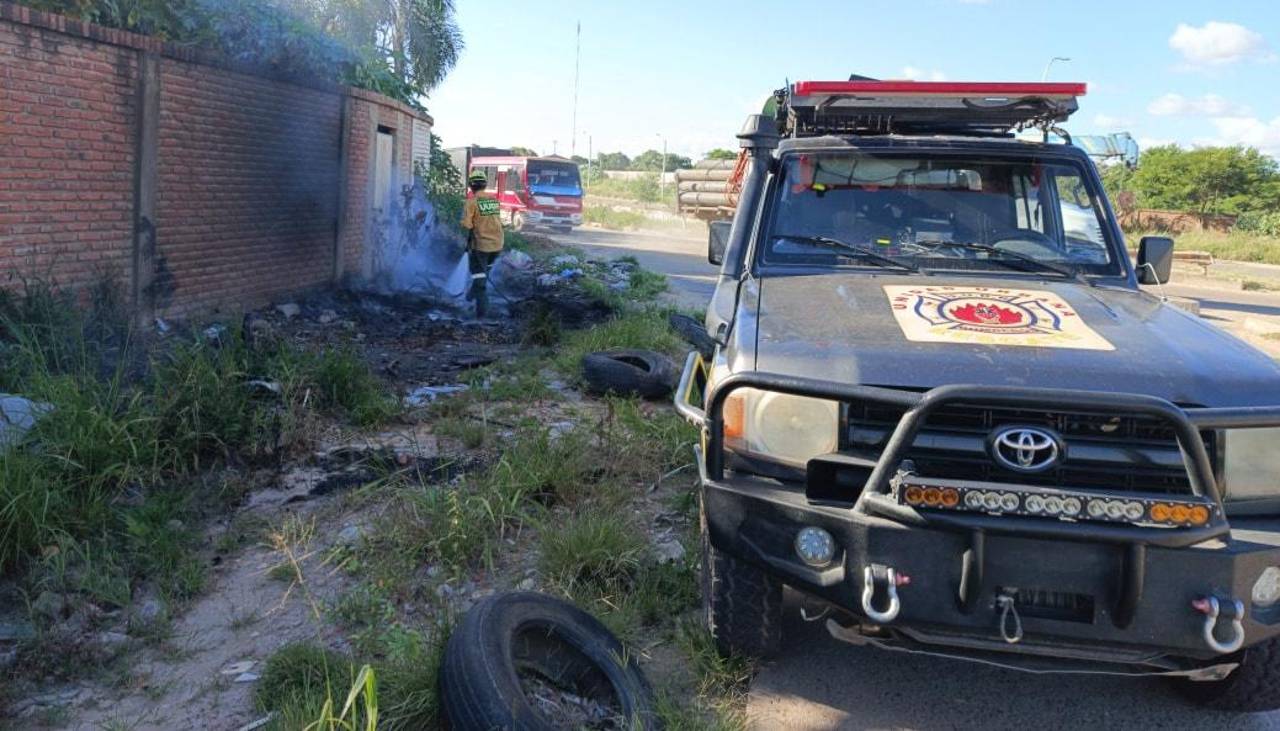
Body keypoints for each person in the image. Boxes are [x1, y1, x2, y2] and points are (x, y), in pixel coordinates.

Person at [460, 169, 504, 317]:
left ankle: (481, 315)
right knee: (481, 275)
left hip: (482, 247)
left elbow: (467, 225)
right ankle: (469, 297)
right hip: (497, 245)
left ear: (471, 186)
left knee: (480, 281)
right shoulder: (493, 200)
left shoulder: (471, 202)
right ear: (485, 185)